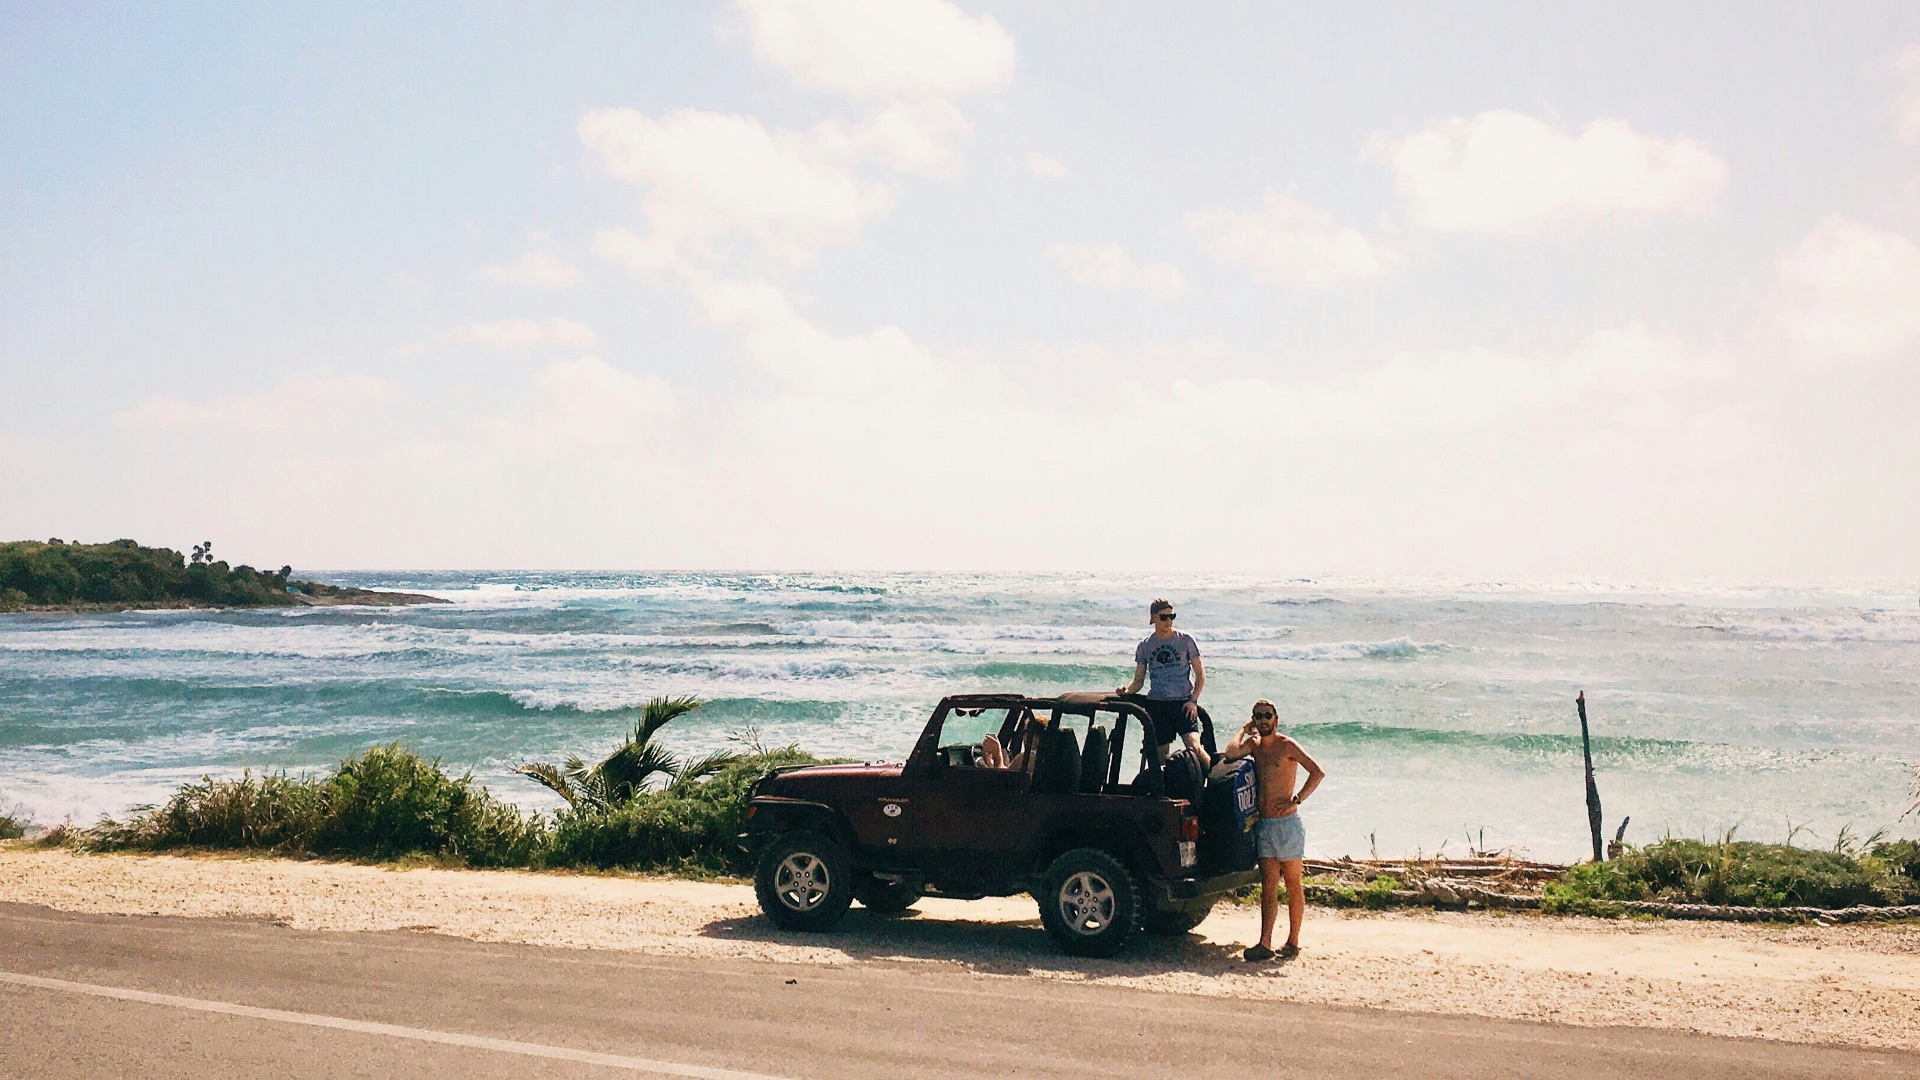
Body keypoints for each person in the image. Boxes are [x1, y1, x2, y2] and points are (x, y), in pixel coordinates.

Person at [1221, 699, 1324, 962]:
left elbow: (1317, 772)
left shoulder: (1287, 745)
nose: (1263, 720)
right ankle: (1265, 943)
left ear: (1276, 719)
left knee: (1292, 884)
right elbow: (1231, 753)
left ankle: (1293, 941)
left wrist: (1297, 799)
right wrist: (1243, 730)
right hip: (1264, 824)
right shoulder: (1255, 747)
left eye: (1267, 715)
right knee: (1268, 885)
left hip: (1287, 826)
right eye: (1258, 716)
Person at [1116, 599, 1210, 769]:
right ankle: (1162, 792)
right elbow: (1138, 681)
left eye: (1171, 616)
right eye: (1164, 617)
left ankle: (1215, 780)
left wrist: (1193, 701)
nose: (1168, 621)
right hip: (1158, 705)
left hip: (1182, 703)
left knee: (1194, 747)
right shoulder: (1145, 646)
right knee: (1159, 759)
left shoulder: (1186, 640)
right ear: (1153, 618)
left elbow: (1200, 676)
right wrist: (1127, 690)